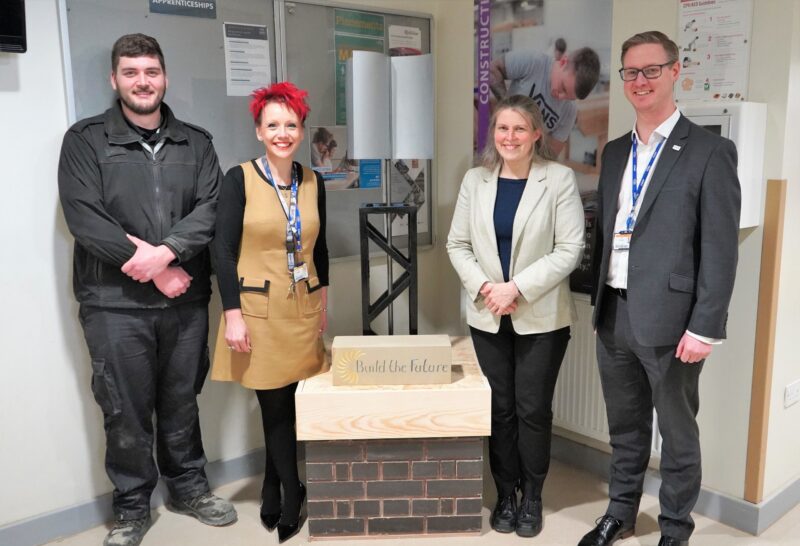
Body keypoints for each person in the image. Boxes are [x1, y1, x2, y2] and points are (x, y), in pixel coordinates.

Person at [58, 33, 237, 546]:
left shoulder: (196, 142)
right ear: (114, 79)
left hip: (186, 303)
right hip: (114, 306)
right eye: (132, 72)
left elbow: (211, 211)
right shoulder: (85, 140)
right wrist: (159, 266)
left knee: (183, 399)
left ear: (165, 78)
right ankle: (132, 509)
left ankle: (188, 488)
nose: (143, 82)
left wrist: (169, 251)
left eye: (151, 72)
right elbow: (86, 218)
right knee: (125, 408)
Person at [580, 31, 740, 546]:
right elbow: (607, 232)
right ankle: (620, 513)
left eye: (652, 70)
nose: (641, 80)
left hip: (673, 324)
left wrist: (705, 326)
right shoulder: (613, 154)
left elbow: (720, 248)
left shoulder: (710, 151)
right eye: (631, 72)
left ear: (675, 72)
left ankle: (675, 528)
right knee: (624, 430)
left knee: (677, 433)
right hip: (615, 314)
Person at [447, 94, 585, 538]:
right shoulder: (476, 180)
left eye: (519, 129)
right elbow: (457, 245)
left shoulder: (558, 179)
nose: (510, 137)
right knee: (500, 410)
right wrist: (488, 289)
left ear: (536, 135)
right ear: (494, 134)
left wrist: (516, 288)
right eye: (503, 129)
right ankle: (506, 494)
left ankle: (534, 496)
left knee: (532, 410)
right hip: (487, 314)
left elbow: (570, 248)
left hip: (540, 316)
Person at [210, 81, 329, 544]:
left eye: (291, 125)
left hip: (302, 308)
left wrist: (323, 303)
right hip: (257, 312)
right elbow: (222, 250)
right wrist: (231, 314)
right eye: (273, 124)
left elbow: (321, 247)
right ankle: (293, 490)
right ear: (259, 130)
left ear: (301, 130)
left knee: (290, 404)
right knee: (273, 403)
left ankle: (272, 481)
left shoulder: (312, 179)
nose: (283, 133)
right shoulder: (239, 178)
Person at [490, 47, 600, 155]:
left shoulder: (570, 111)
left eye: (569, 98)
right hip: (497, 146)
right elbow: (492, 69)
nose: (561, 97)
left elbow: (551, 155)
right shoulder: (534, 62)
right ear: (563, 62)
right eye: (563, 88)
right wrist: (508, 108)